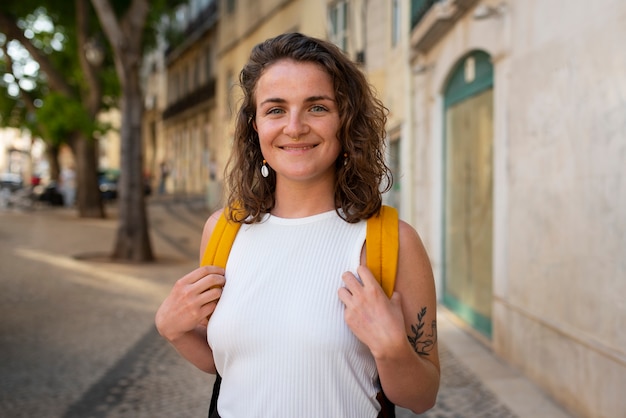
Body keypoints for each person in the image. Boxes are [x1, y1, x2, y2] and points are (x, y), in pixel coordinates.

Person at [155, 32, 440, 417]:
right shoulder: (224, 230)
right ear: (255, 125)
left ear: (345, 119)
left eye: (317, 107)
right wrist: (174, 331)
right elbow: (231, 365)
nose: (294, 126)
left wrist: (391, 348)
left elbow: (421, 397)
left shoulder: (392, 241)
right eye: (275, 110)